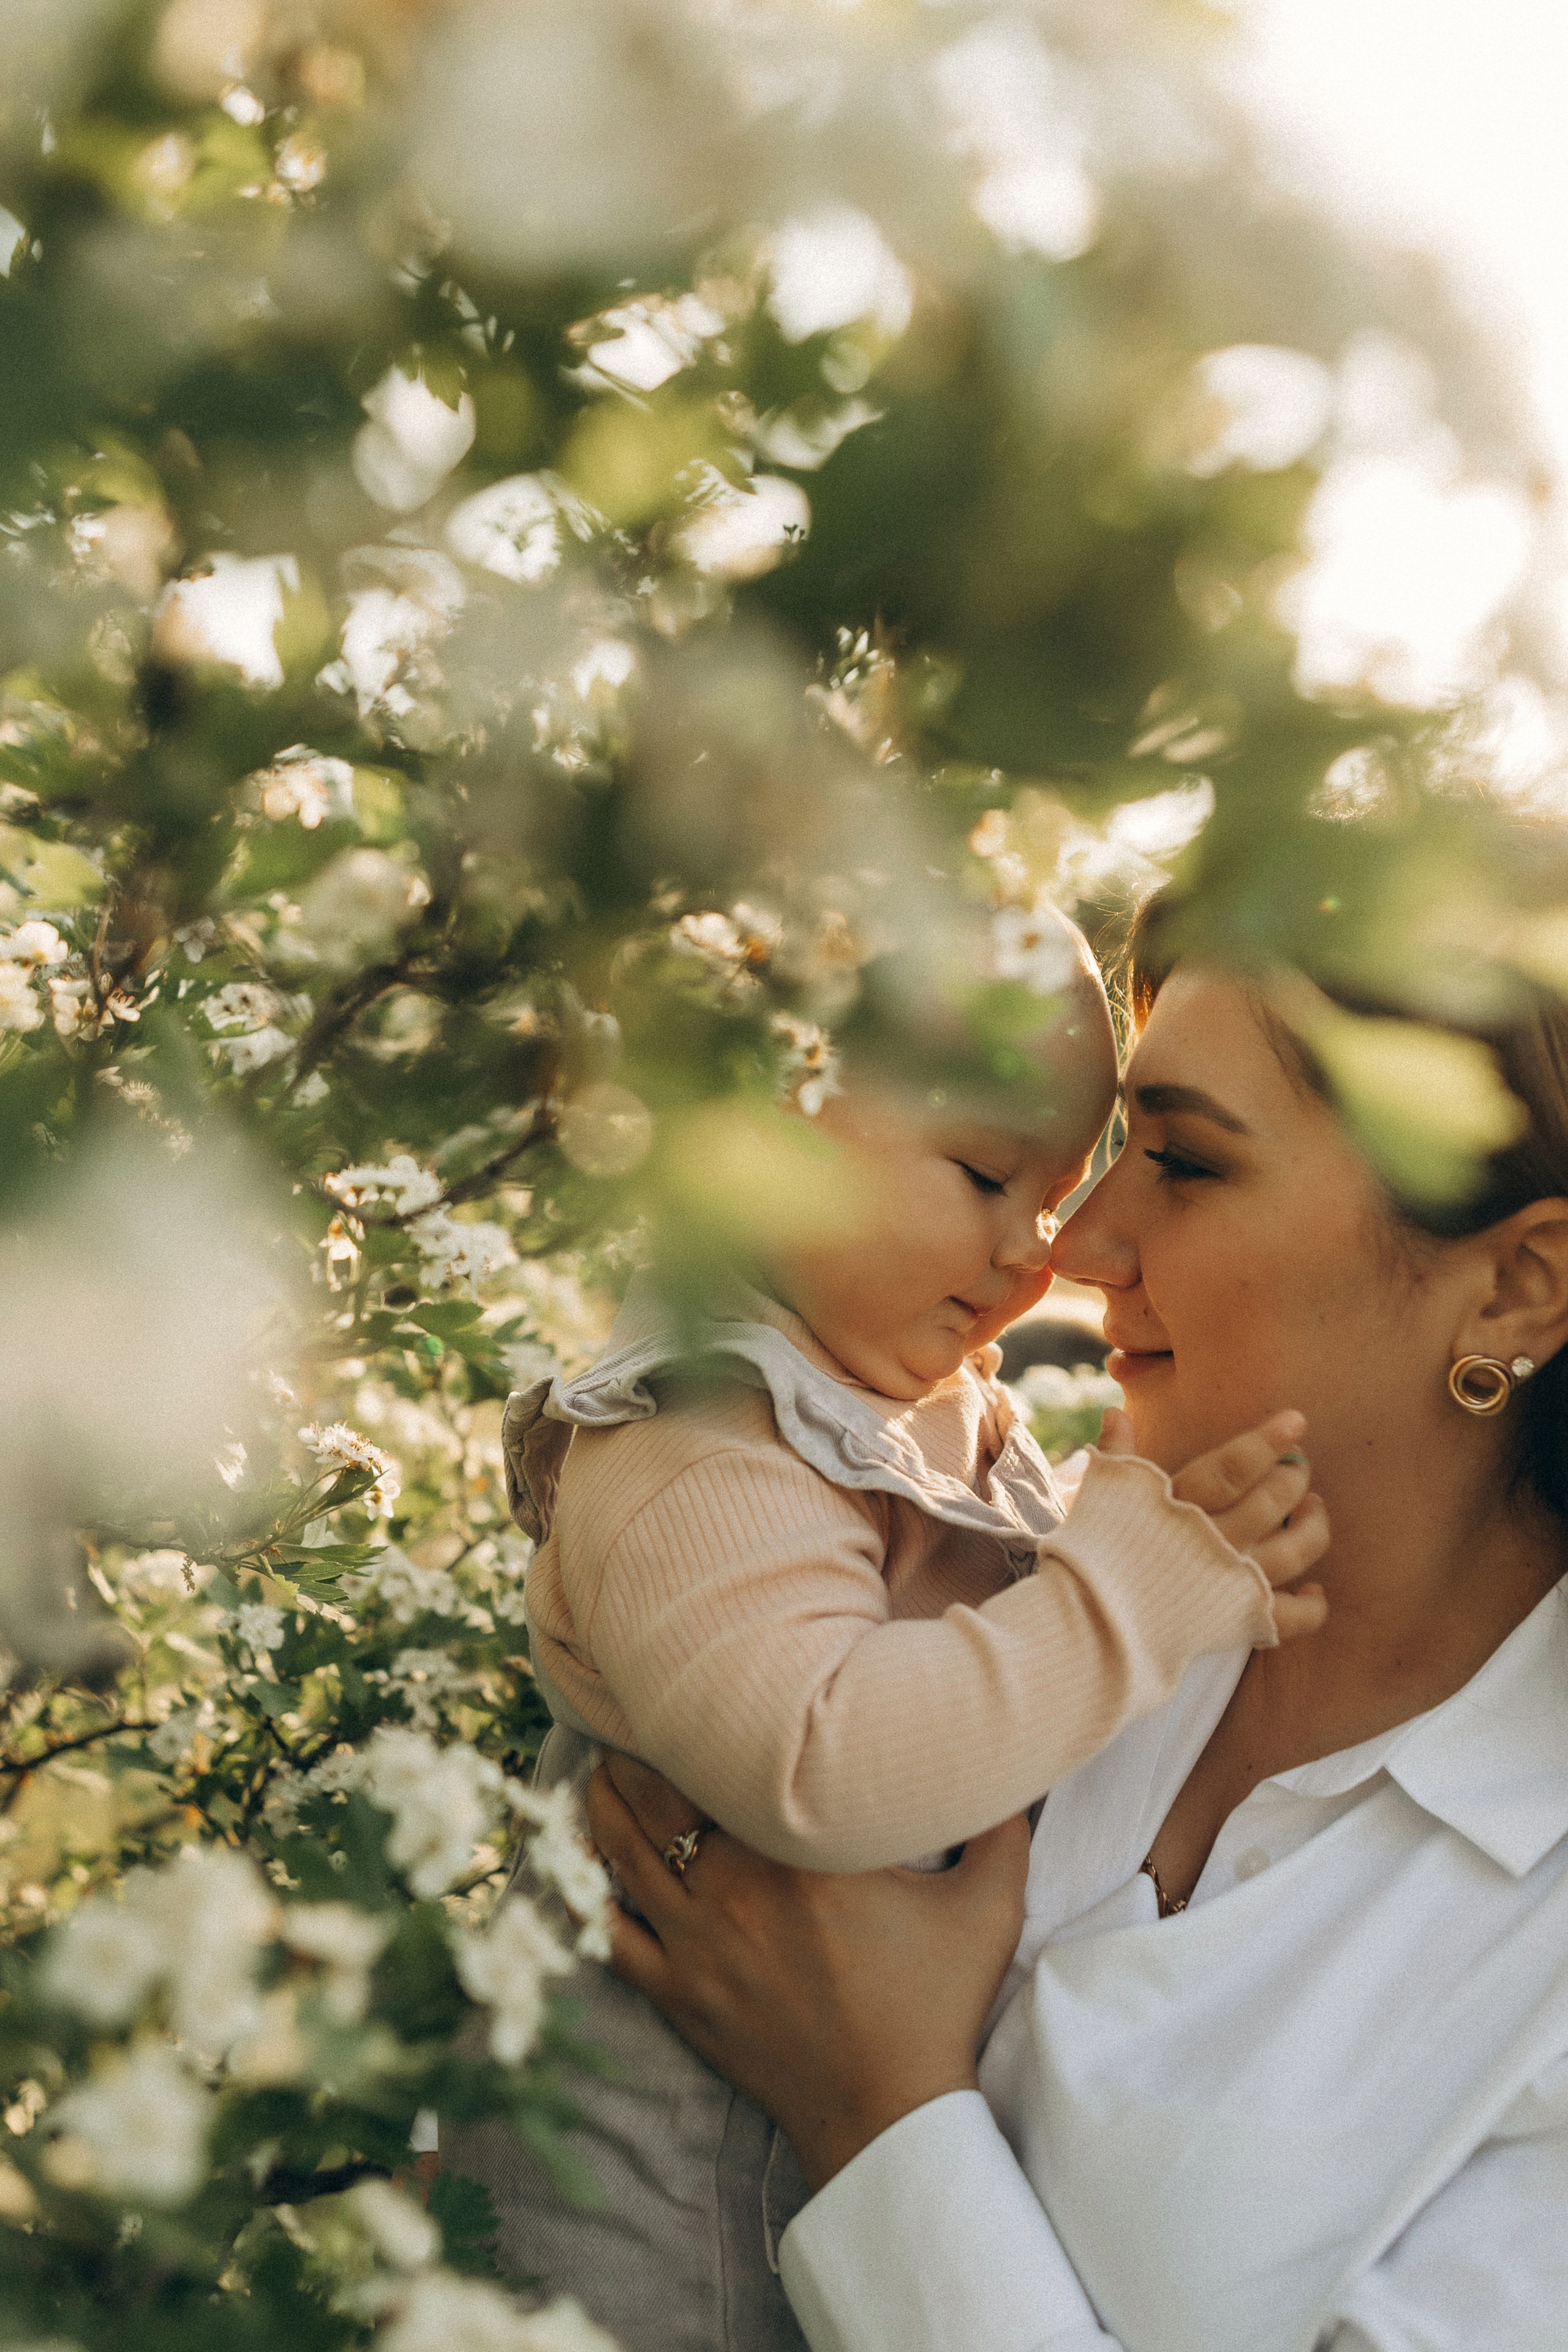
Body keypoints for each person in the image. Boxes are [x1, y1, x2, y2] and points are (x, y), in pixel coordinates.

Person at [587, 944, 1568, 2352]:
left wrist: (878, 2113)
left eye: (1179, 1161)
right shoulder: (983, 1572)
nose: (1071, 1245)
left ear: (1514, 1288)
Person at [444, 906, 1327, 2352]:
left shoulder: (897, 1408)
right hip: (655, 2263)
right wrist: (1135, 1594)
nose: (1037, 1255)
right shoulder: (699, 1440)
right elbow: (825, 1771)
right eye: (987, 1174)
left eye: (1052, 1195)